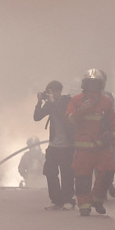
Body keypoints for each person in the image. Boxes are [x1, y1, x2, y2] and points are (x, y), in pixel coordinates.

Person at [66, 69, 115, 217]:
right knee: (82, 177)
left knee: (108, 171)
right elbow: (70, 120)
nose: (92, 86)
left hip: (102, 146)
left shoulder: (106, 101)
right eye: (90, 83)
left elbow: (113, 123)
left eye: (95, 83)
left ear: (100, 84)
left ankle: (97, 199)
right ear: (85, 84)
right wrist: (81, 110)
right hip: (83, 147)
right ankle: (84, 205)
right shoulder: (76, 100)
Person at [34, 80, 74, 209]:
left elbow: (63, 117)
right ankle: (56, 200)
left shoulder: (67, 102)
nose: (50, 95)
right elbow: (37, 117)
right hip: (53, 145)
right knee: (50, 172)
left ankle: (68, 200)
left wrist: (52, 103)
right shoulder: (50, 104)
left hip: (67, 145)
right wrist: (39, 102)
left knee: (67, 173)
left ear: (59, 91)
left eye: (52, 92)